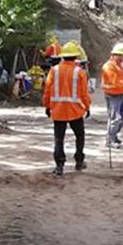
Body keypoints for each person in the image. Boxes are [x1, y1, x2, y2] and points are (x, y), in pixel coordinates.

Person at [43, 40, 90, 176]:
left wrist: (47, 106)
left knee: (59, 138)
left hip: (58, 110)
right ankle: (79, 162)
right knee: (79, 136)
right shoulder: (80, 72)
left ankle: (59, 166)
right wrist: (87, 107)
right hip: (75, 111)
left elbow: (47, 90)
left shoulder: (54, 70)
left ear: (62, 56)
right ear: (76, 56)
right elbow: (84, 94)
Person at [101, 44, 123, 147]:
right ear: (113, 55)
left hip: (121, 94)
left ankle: (114, 135)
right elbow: (114, 83)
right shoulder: (109, 67)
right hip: (112, 95)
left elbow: (120, 81)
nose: (122, 58)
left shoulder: (118, 66)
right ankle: (109, 140)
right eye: (120, 55)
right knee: (115, 118)